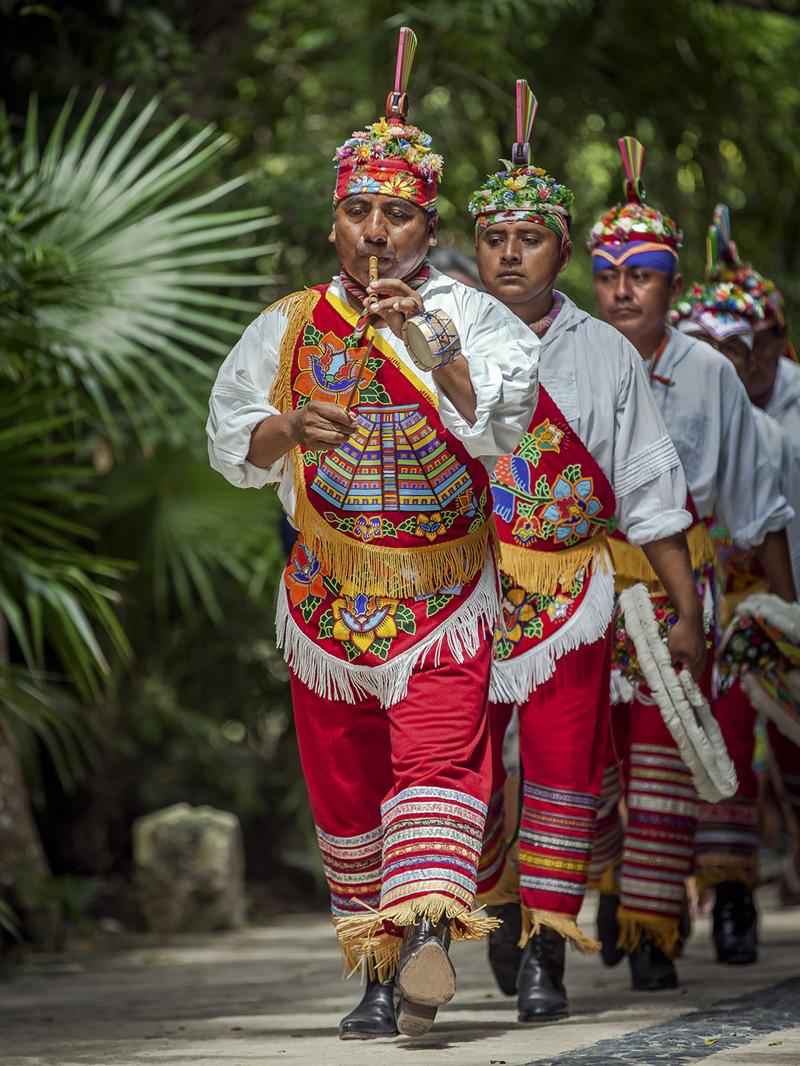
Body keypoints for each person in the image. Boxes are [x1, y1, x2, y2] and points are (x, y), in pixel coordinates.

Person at [206, 29, 539, 1040]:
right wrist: (284, 426)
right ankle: (377, 974)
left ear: (425, 227)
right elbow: (228, 441)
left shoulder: (470, 320)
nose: (375, 230)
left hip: (440, 597)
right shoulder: (287, 326)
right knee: (347, 793)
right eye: (358, 211)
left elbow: (506, 421)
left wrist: (429, 346)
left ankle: (427, 934)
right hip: (323, 601)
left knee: (435, 768)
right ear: (333, 225)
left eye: (395, 213)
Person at [467, 84, 705, 1023]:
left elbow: (651, 492)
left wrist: (686, 614)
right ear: (478, 246)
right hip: (466, 591)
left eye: (531, 238)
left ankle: (546, 952)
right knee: (472, 767)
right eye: (496, 237)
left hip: (573, 589)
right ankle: (493, 907)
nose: (511, 252)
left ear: (563, 251)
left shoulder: (605, 353)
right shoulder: (437, 336)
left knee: (567, 766)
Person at [588, 138, 795, 991]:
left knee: (675, 750)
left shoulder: (710, 371)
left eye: (642, 273)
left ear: (672, 285)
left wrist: (786, 613)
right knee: (586, 753)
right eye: (609, 274)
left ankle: (651, 929)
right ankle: (592, 889)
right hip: (587, 579)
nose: (624, 289)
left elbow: (758, 503)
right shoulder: (565, 358)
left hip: (687, 579)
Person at [674, 227, 799, 959]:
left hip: (736, 605)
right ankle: (638, 895)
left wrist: (785, 615)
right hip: (660, 592)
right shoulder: (645, 404)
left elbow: (770, 523)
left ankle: (732, 895)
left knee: (733, 743)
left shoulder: (768, 431)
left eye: (735, 348)